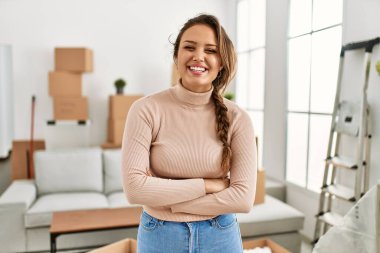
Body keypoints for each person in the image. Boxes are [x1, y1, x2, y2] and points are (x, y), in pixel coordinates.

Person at [122, 13, 257, 253]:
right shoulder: (145, 110)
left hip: (220, 235)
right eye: (189, 47)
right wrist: (208, 185)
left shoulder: (238, 119)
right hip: (160, 235)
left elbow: (243, 199)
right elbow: (135, 189)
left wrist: (169, 200)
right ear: (176, 56)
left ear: (222, 62)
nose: (199, 56)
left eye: (211, 50)